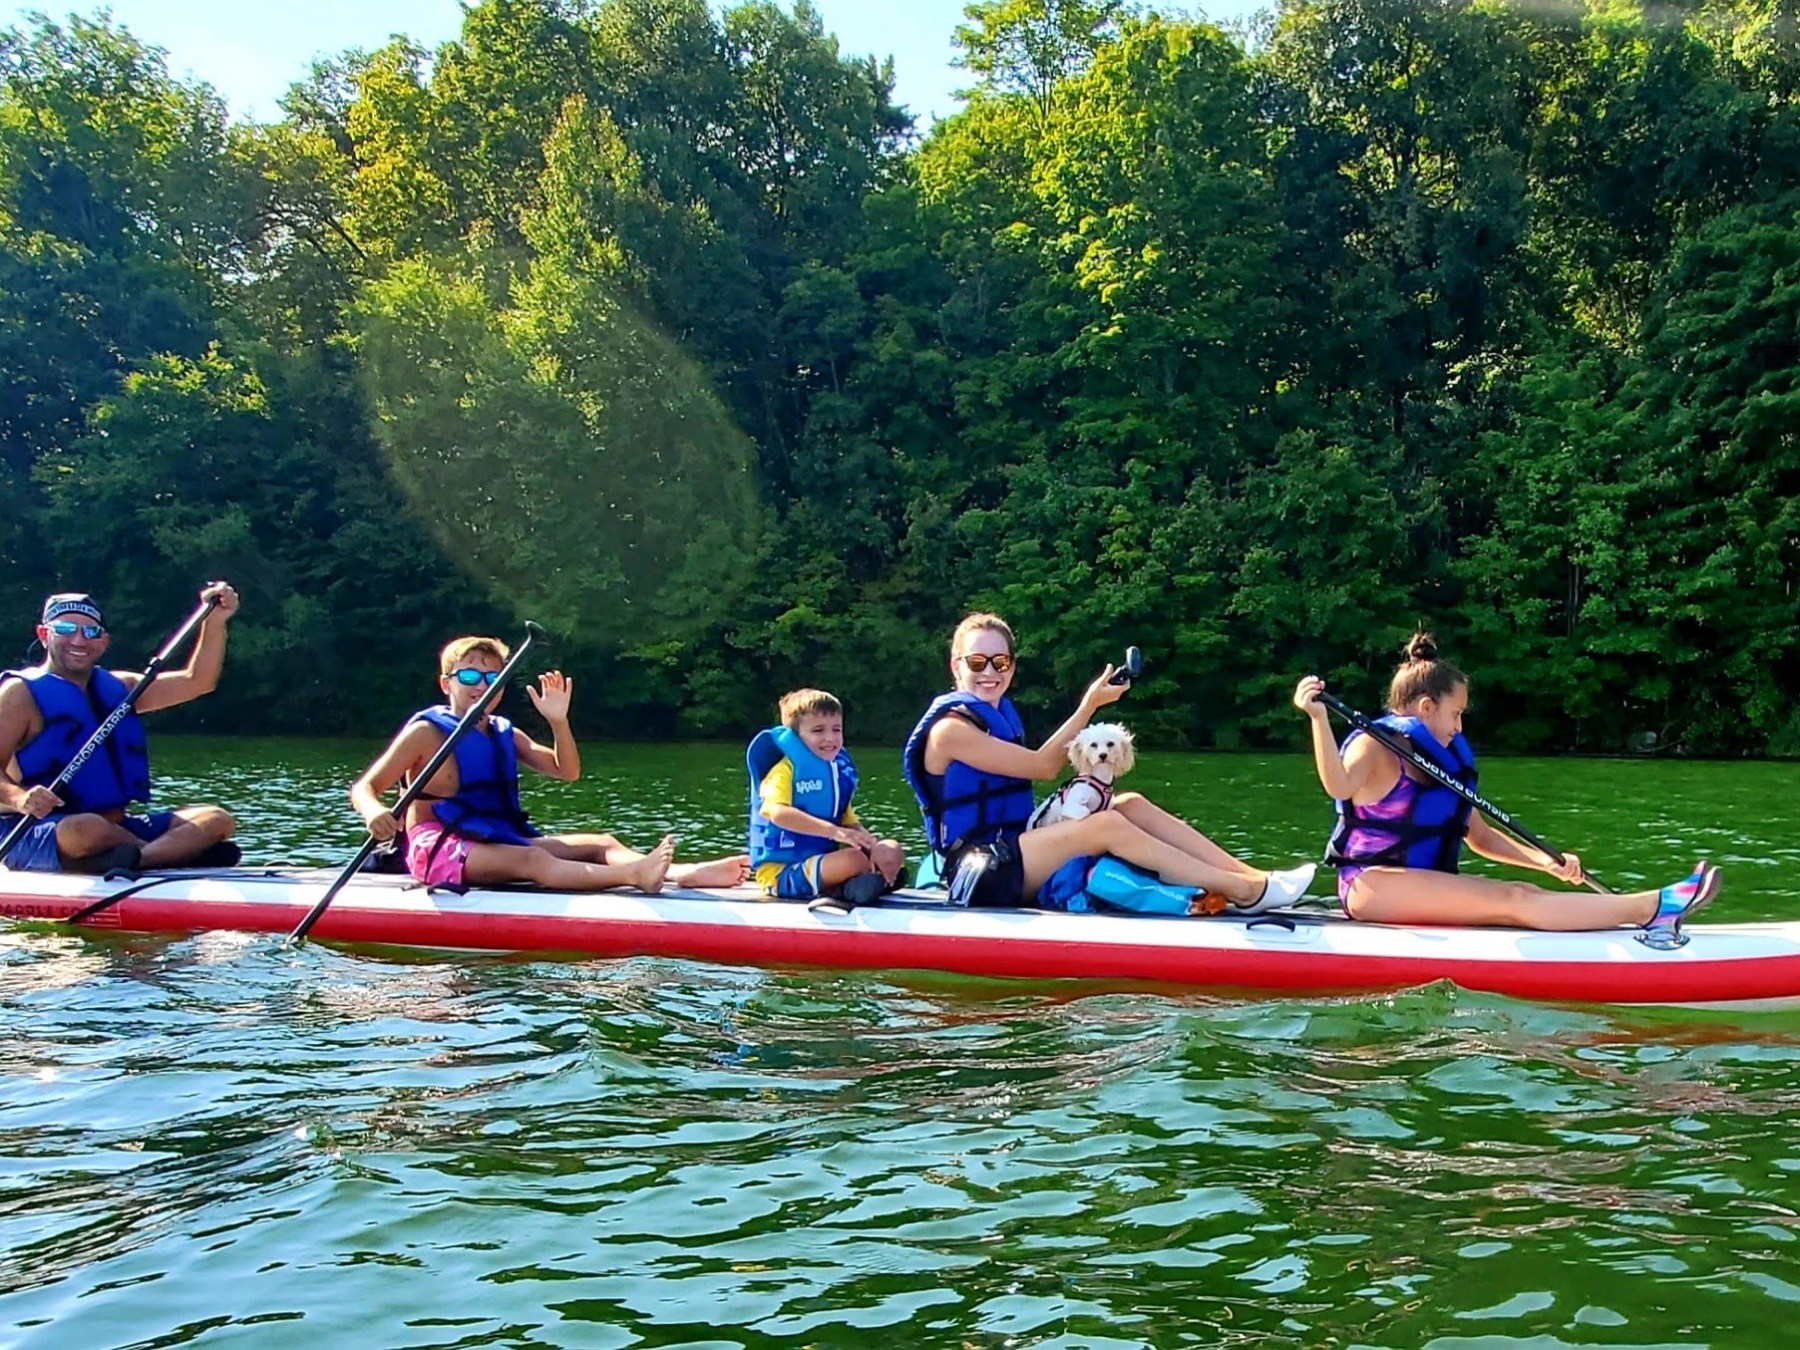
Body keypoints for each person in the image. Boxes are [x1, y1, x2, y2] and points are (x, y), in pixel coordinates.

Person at [1292, 633, 1720, 939]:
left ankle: (1636, 911)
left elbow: (1479, 837)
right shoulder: (1373, 747)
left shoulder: (1447, 761)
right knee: (1513, 899)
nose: (1459, 726)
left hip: (1418, 882)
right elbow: (1338, 784)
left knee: (1525, 892)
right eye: (1455, 713)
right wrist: (1318, 719)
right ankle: (1653, 908)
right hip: (1373, 884)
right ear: (1427, 707)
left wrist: (1545, 862)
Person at [903, 613, 1316, 913]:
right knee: (1104, 824)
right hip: (980, 869)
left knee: (1128, 803)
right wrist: (1089, 705)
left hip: (1018, 849)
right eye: (977, 663)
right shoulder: (949, 731)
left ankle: (1255, 878)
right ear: (956, 666)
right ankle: (1241, 890)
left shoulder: (998, 715)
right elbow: (1045, 767)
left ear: (1011, 665)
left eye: (1000, 662)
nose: (989, 672)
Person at [351, 635, 749, 894]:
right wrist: (374, 811)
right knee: (535, 860)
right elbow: (365, 788)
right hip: (438, 848)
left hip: (493, 836)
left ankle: (682, 873)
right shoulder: (426, 733)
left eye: (493, 678)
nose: (480, 685)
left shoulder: (504, 733)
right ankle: (633, 875)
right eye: (469, 674)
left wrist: (558, 722)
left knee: (602, 842)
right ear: (446, 683)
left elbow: (566, 771)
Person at [0, 585, 241, 873]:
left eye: (91, 632)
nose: (79, 639)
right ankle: (171, 853)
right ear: (44, 634)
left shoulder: (122, 688)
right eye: (66, 628)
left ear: (103, 642)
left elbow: (198, 681)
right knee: (87, 829)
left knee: (216, 819)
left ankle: (139, 859)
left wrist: (214, 622)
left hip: (117, 827)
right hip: (39, 831)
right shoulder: (19, 693)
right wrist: (20, 798)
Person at [748, 688, 904, 906]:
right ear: (796, 736)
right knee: (854, 859)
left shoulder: (837, 775)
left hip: (821, 865)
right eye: (818, 730)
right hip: (782, 873)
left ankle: (874, 878)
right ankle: (853, 886)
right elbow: (777, 813)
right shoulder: (784, 771)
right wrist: (833, 832)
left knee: (891, 849)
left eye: (836, 729)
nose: (829, 738)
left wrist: (874, 846)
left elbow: (850, 823)